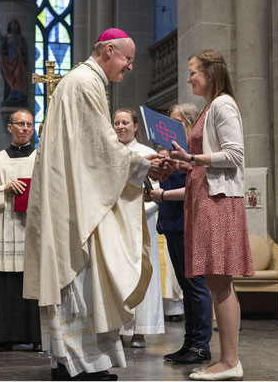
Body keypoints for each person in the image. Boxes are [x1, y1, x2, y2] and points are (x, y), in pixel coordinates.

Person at [22, 28, 171, 381]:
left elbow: (94, 147)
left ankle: (75, 363)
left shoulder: (78, 81)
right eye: (127, 58)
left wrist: (141, 165)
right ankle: (79, 368)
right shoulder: (87, 83)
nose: (130, 67)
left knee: (81, 282)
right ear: (108, 50)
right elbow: (101, 148)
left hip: (74, 191)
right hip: (76, 202)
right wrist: (145, 166)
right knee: (81, 277)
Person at [169, 49, 254, 381]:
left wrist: (194, 158)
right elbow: (208, 155)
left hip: (218, 200)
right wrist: (186, 161)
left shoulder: (222, 104)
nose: (189, 78)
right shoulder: (210, 107)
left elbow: (234, 154)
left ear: (211, 72)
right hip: (205, 197)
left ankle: (230, 361)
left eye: (193, 72)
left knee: (220, 281)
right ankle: (228, 360)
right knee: (216, 281)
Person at [149, 103, 214, 365]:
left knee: (196, 286)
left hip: (190, 224)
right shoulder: (173, 153)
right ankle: (189, 342)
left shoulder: (196, 155)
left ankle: (201, 345)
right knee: (186, 287)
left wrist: (162, 195)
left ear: (188, 123)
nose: (169, 126)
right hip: (173, 223)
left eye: (175, 121)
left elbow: (197, 191)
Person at [0, 109, 42, 353]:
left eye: (29, 125)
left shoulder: (41, 160)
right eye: (20, 124)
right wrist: (5, 188)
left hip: (32, 231)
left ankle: (36, 336)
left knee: (31, 282)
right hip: (3, 227)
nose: (25, 128)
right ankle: (3, 337)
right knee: (4, 283)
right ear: (9, 128)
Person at [113, 108, 165, 348]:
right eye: (116, 123)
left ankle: (139, 330)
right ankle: (115, 326)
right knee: (115, 276)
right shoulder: (109, 152)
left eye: (125, 122)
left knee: (141, 273)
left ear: (135, 127)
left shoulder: (147, 154)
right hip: (113, 224)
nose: (120, 126)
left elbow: (154, 193)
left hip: (141, 224)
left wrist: (131, 211)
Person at [0, 18, 28, 106]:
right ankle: (10, 95)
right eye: (12, 24)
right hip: (9, 61)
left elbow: (25, 52)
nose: (14, 26)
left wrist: (21, 48)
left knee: (18, 76)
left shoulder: (21, 38)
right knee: (9, 78)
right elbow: (2, 51)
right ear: (10, 26)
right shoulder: (6, 37)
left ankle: (19, 95)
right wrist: (3, 44)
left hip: (18, 61)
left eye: (15, 24)